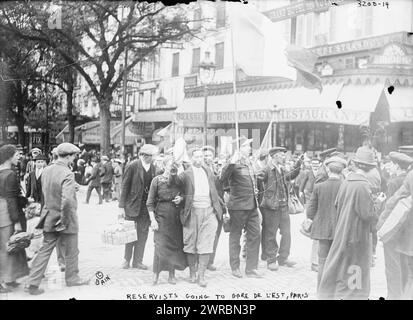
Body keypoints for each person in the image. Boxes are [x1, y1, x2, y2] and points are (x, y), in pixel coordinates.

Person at [26, 143, 89, 295]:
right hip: (64, 218)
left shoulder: (46, 170)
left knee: (44, 250)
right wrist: (64, 219)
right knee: (72, 250)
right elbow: (67, 200)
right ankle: (72, 278)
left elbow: (47, 193)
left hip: (48, 216)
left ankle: (32, 283)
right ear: (67, 156)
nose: (74, 159)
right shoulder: (67, 173)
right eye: (73, 156)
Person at [318, 146, 378, 300]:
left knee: (342, 270)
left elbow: (337, 204)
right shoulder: (362, 185)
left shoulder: (347, 181)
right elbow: (368, 215)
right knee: (354, 276)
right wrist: (378, 204)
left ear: (357, 164)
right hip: (356, 237)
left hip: (343, 233)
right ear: (370, 168)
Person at [173, 147, 221, 287]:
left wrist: (222, 209)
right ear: (191, 158)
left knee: (206, 244)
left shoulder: (209, 171)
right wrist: (180, 199)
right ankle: (192, 273)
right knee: (190, 243)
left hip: (209, 211)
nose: (200, 159)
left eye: (201, 157)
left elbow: (215, 191)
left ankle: (201, 276)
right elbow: (177, 188)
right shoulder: (185, 174)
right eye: (197, 157)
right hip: (192, 212)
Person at [220, 137, 262, 279]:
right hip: (237, 207)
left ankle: (251, 268)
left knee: (255, 235)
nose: (249, 148)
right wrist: (232, 161)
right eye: (245, 146)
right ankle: (235, 267)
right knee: (235, 237)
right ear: (238, 149)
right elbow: (222, 177)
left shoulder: (250, 163)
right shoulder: (232, 164)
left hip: (252, 206)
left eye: (249, 146)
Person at [305, 156, 347, 294]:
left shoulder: (319, 187)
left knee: (322, 261)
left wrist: (312, 218)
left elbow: (310, 211)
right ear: (341, 172)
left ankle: (322, 293)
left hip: (322, 230)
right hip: (340, 231)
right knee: (338, 262)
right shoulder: (345, 187)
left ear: (328, 170)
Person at [258, 147, 302, 271]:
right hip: (271, 207)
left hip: (283, 207)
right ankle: (271, 259)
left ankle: (283, 257)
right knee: (270, 234)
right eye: (282, 155)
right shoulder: (267, 169)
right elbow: (257, 180)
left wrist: (299, 163)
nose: (284, 157)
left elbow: (292, 175)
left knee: (286, 233)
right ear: (275, 156)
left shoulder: (282, 169)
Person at [377, 151, 413, 300]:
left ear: (397, 165)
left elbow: (392, 204)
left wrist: (381, 226)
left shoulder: (396, 182)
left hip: (398, 230)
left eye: (392, 163)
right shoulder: (406, 177)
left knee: (394, 270)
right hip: (406, 233)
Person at [147, 156, 187, 285]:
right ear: (164, 166)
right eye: (170, 165)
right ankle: (155, 274)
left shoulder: (178, 180)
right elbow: (150, 203)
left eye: (174, 165)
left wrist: (181, 198)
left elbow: (184, 193)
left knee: (174, 245)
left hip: (175, 217)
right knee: (160, 245)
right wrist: (153, 220)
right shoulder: (156, 180)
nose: (172, 167)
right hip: (161, 216)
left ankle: (172, 274)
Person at [119, 144, 157, 270]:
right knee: (130, 233)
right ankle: (126, 259)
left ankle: (138, 261)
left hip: (145, 208)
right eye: (148, 156)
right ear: (143, 155)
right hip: (132, 205)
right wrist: (121, 206)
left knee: (143, 234)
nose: (150, 158)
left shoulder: (153, 168)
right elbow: (124, 186)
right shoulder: (133, 166)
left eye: (151, 156)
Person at [0, 145, 30, 293]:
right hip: (5, 214)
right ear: (9, 156)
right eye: (17, 154)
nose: (20, 157)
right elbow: (11, 199)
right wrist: (17, 221)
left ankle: (9, 279)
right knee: (6, 248)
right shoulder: (10, 174)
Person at [202, 145, 224, 272]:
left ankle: (210, 261)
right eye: (205, 156)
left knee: (216, 234)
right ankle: (202, 262)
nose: (207, 158)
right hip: (206, 205)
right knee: (205, 235)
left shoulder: (217, 169)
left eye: (209, 155)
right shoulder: (200, 170)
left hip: (218, 205)